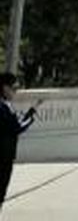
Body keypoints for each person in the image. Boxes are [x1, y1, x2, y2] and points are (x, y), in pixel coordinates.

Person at [0, 73, 36, 210]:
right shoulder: (4, 107)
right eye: (14, 88)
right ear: (4, 88)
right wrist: (31, 116)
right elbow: (17, 128)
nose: (15, 92)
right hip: (4, 157)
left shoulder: (5, 106)